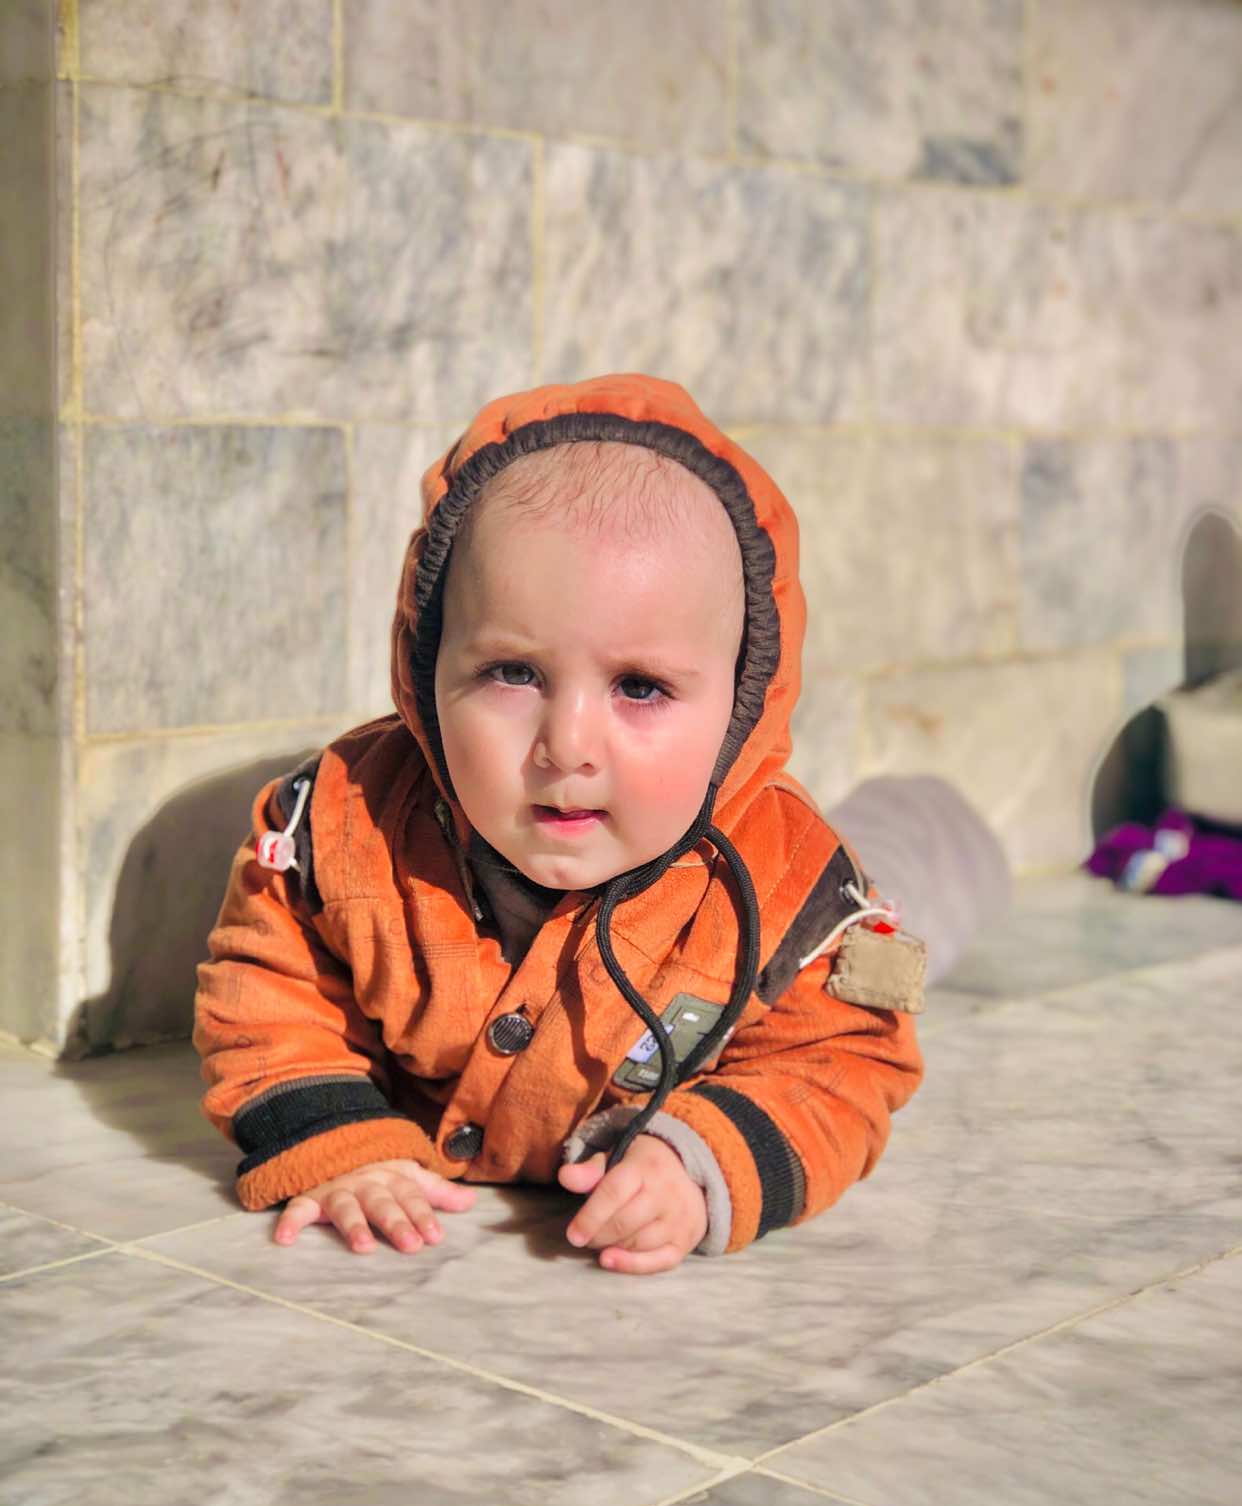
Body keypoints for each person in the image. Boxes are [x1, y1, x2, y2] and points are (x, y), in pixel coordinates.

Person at [193, 373, 925, 1274]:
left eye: (640, 687)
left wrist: (700, 1160)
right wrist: (336, 1133)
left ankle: (929, 815)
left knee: (919, 882)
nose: (568, 746)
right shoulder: (346, 823)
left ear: (740, 705)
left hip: (864, 877)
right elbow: (270, 985)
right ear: (427, 667)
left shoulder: (794, 885)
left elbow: (842, 1060)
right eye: (513, 673)